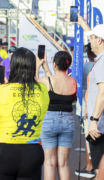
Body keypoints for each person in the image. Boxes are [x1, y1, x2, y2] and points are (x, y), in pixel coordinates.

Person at [0, 47, 50, 179]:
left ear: (12, 66)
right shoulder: (43, 89)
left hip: (3, 150)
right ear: (33, 66)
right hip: (32, 152)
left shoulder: (2, 90)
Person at [36, 51, 76, 180]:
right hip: (68, 120)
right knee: (63, 164)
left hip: (49, 120)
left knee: (49, 162)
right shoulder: (73, 81)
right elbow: (58, 79)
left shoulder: (46, 80)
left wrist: (38, 66)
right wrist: (48, 69)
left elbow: (35, 84)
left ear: (54, 64)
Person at [77, 14, 104, 179]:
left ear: (100, 40)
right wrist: (82, 23)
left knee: (99, 171)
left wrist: (93, 121)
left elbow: (103, 92)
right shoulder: (100, 59)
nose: (90, 41)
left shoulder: (102, 62)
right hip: (99, 124)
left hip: (99, 127)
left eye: (92, 38)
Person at [75, 43, 96, 178]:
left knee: (88, 137)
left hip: (87, 106)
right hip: (95, 106)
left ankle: (90, 167)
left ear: (88, 52)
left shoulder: (87, 66)